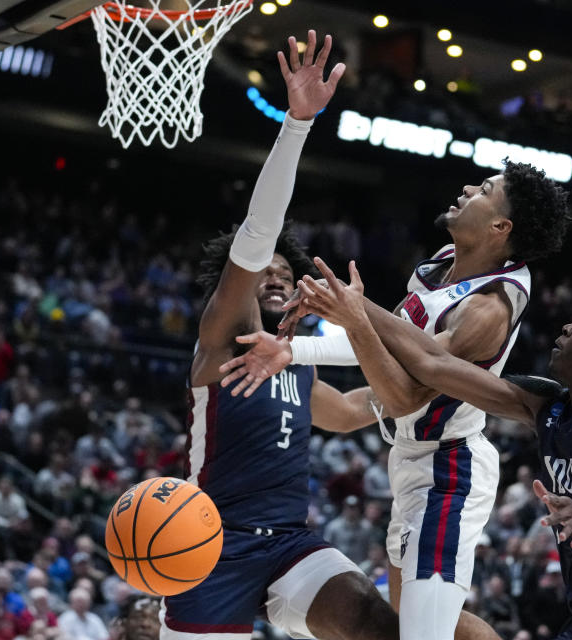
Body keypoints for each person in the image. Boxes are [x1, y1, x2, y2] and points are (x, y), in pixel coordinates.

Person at [220, 158, 570, 640]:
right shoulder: (444, 261)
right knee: (415, 624)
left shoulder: (487, 309)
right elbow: (388, 343)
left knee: (420, 636)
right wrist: (292, 348)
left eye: (484, 188)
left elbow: (406, 394)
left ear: (499, 226)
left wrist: (354, 311)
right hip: (411, 459)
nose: (468, 187)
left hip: (451, 472)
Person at [249, 260, 572, 639]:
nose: (568, 326)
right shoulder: (546, 405)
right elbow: (434, 366)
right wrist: (314, 338)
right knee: (410, 617)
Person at [160, 30, 398, 640]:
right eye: (263, 270)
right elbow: (257, 236)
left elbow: (345, 413)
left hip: (290, 544)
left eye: (285, 274)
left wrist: (413, 391)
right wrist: (296, 125)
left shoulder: (298, 360)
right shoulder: (221, 340)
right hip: (208, 543)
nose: (274, 276)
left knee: (372, 620)